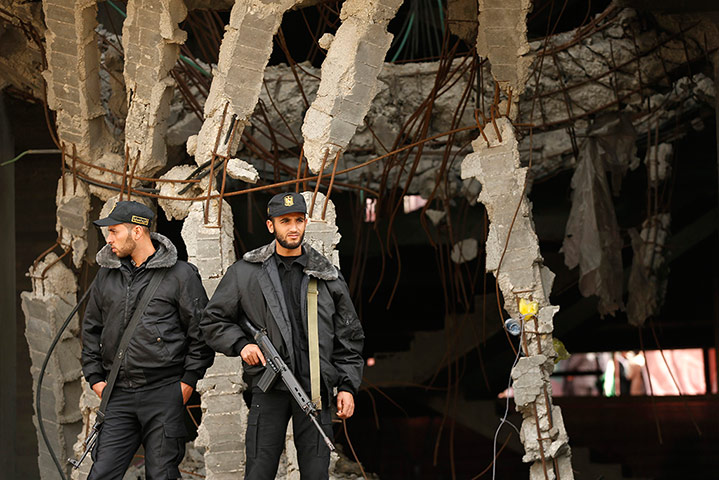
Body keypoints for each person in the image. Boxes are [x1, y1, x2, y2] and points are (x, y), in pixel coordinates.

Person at [201, 192, 364, 480]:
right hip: (269, 390)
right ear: (270, 226)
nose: (293, 227)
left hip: (315, 392)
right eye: (284, 221)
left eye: (299, 220)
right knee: (260, 472)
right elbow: (213, 320)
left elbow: (349, 337)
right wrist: (242, 345)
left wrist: (348, 386)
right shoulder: (245, 273)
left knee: (316, 474)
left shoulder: (327, 276)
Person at [81, 201, 214, 480]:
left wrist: (187, 382)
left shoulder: (181, 275)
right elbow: (91, 329)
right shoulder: (107, 275)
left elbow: (200, 332)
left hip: (164, 392)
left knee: (162, 474)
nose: (109, 239)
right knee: (101, 474)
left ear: (138, 232)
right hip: (117, 393)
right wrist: (95, 379)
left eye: (115, 231)